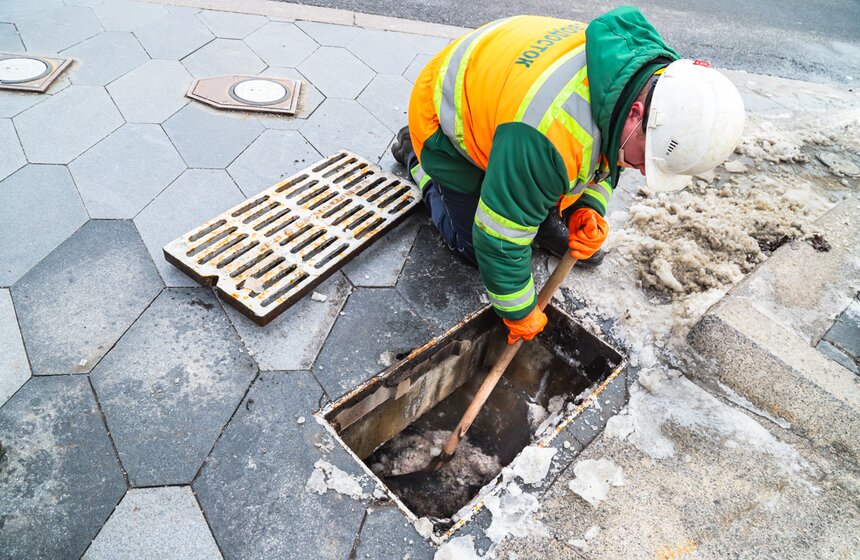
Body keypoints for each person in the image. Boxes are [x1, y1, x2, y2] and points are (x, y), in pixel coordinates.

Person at [391, 6, 745, 345]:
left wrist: (587, 208)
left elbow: (609, 155)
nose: (640, 169)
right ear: (637, 115)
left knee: (530, 197)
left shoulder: (648, 85)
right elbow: (496, 241)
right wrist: (518, 312)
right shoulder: (551, 134)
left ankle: (536, 212)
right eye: (646, 161)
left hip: (505, 102)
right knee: (475, 248)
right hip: (446, 119)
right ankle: (417, 162)